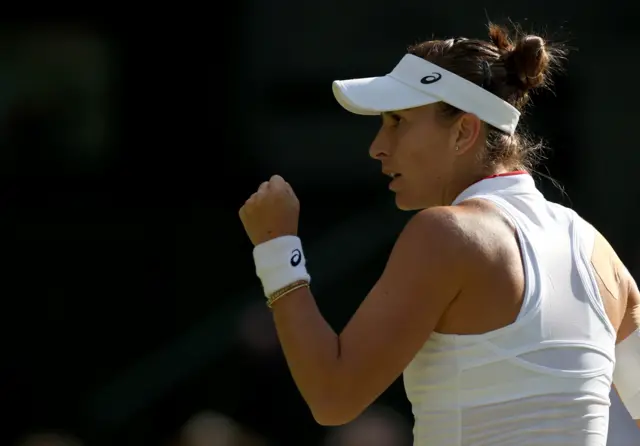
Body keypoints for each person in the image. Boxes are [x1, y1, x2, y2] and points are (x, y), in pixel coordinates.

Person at [238, 23, 640, 446]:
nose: (377, 146)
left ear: (464, 131)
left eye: (397, 122)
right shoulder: (597, 249)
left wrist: (276, 246)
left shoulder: (446, 233)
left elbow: (333, 397)